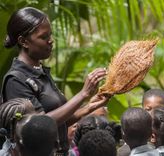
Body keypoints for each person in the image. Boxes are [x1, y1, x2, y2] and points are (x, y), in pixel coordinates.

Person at [2, 7, 110, 155]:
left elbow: (61, 120)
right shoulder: (16, 80)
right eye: (43, 37)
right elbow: (37, 127)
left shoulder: (40, 71)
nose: (51, 41)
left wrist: (89, 106)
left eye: (50, 35)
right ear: (24, 41)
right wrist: (82, 94)